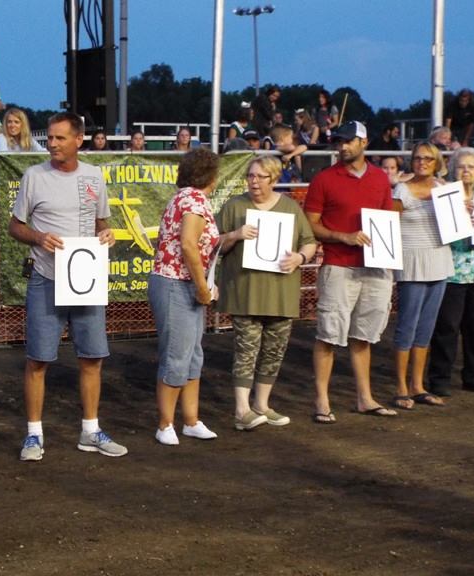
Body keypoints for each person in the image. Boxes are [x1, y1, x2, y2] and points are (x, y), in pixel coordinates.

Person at [8, 112, 126, 460]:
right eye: (50, 138)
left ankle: (90, 430)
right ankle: (34, 435)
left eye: (60, 138)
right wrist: (38, 237)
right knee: (38, 359)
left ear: (79, 139)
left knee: (92, 356)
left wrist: (107, 233)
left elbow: (101, 221)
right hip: (46, 278)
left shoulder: (94, 176)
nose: (52, 144)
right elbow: (15, 226)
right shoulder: (34, 176)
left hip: (86, 280)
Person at [303, 121, 397, 423]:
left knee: (363, 336)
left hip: (375, 267)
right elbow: (310, 224)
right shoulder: (324, 179)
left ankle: (364, 398)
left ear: (363, 142)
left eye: (348, 141)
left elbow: (386, 219)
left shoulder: (380, 178)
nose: (342, 146)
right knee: (329, 334)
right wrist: (342, 237)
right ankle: (322, 400)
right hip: (338, 265)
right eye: (339, 142)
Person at [217, 156, 317, 430]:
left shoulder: (290, 207)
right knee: (246, 350)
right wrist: (235, 235)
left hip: (281, 293)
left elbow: (309, 242)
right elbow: (214, 244)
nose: (254, 181)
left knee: (274, 350)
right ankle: (241, 410)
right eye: (250, 176)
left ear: (273, 179)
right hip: (245, 292)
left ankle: (261, 404)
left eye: (260, 176)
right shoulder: (234, 206)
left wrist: (300, 258)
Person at [147, 148, 221, 445]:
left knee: (191, 355)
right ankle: (165, 424)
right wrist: (203, 288)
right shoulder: (195, 200)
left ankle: (190, 420)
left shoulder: (183, 197)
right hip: (177, 284)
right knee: (177, 355)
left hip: (178, 282)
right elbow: (189, 245)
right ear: (211, 176)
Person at [428, 147, 474, 396]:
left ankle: (473, 375)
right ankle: (439, 378)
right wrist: (459, 213)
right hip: (454, 268)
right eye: (461, 166)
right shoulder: (445, 196)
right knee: (447, 325)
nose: (466, 170)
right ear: (453, 170)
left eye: (471, 167)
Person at [388, 142, 453, 410]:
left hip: (439, 262)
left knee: (426, 327)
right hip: (412, 263)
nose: (422, 162)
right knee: (407, 326)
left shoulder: (444, 189)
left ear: (437, 162)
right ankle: (401, 387)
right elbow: (389, 226)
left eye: (428, 158)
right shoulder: (401, 190)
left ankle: (417, 386)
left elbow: (456, 225)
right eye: (417, 158)